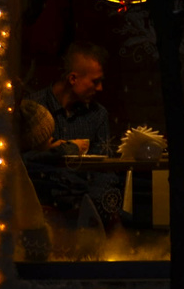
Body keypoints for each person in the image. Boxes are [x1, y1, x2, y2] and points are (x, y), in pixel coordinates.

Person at [21, 43, 121, 229]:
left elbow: (106, 170)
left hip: (85, 210)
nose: (100, 88)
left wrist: (94, 207)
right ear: (73, 78)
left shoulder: (97, 115)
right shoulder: (34, 111)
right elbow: (21, 164)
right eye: (95, 81)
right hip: (40, 211)